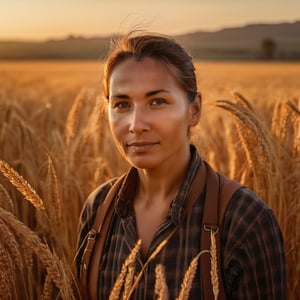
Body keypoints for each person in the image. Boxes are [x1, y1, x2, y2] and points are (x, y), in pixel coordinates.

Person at [76, 31, 287, 299]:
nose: (136, 124)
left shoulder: (244, 219)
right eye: (122, 104)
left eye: (157, 102)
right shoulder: (98, 210)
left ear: (194, 109)